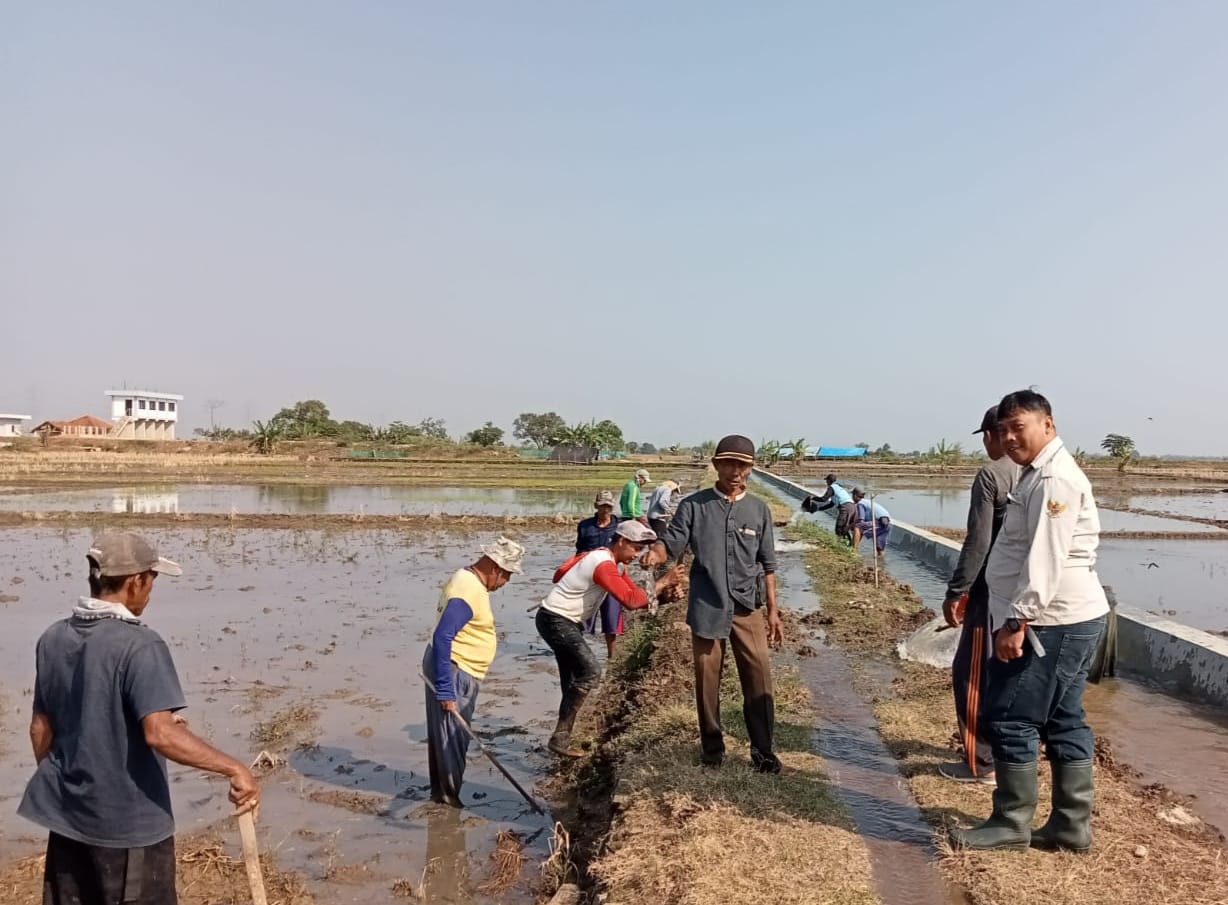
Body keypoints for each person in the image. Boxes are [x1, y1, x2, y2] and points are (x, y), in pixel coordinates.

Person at [19, 531, 260, 905]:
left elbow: (42, 728)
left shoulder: (53, 638)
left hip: (67, 823)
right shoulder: (141, 645)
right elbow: (159, 735)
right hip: (128, 832)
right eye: (151, 581)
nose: (150, 592)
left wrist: (70, 790)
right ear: (135, 583)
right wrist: (235, 769)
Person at [950, 390, 1110, 852]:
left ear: (1048, 425)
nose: (1009, 436)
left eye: (1019, 426)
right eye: (1003, 429)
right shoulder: (1035, 474)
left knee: (1011, 716)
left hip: (1052, 620)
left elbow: (1045, 558)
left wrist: (1017, 621)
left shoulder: (1053, 480)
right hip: (1067, 617)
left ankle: (1011, 821)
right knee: (1063, 718)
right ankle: (1068, 825)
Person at [644, 435, 784, 773]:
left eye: (743, 465)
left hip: (747, 607)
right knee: (707, 679)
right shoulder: (694, 506)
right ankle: (712, 750)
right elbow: (672, 542)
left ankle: (762, 751)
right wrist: (655, 554)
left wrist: (773, 611)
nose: (735, 471)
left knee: (759, 677)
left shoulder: (759, 510)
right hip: (707, 604)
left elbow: (767, 565)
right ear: (716, 465)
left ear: (750, 469)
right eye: (728, 463)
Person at [938, 406, 1021, 785]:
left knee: (972, 672)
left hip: (993, 591)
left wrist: (958, 590)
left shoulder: (992, 474)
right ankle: (1013, 756)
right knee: (1013, 674)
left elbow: (979, 541)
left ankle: (982, 762)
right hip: (1029, 592)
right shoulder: (1035, 472)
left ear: (993, 434)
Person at [537, 521, 657, 756]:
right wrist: (662, 584)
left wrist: (664, 595)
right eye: (635, 548)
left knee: (572, 679)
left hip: (562, 621)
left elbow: (636, 598)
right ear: (621, 541)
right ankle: (560, 739)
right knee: (591, 671)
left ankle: (562, 738)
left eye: (641, 550)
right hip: (555, 620)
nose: (636, 555)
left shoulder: (616, 565)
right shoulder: (602, 563)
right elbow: (631, 601)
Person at [423, 536, 525, 806]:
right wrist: (446, 688)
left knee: (448, 739)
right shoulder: (468, 589)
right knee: (452, 741)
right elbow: (444, 636)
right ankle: (447, 802)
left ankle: (443, 794)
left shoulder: (466, 579)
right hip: (454, 670)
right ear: (495, 568)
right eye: (507, 577)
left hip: (454, 667)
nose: (505, 584)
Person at [577, 490, 627, 655]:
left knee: (611, 621)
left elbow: (627, 551)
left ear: (612, 507)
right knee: (583, 619)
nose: (605, 510)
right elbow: (579, 552)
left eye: (608, 506)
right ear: (596, 506)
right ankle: (582, 655)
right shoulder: (585, 526)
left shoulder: (620, 527)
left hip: (612, 579)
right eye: (602, 506)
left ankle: (612, 658)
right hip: (590, 579)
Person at [803, 473, 857, 544]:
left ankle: (843, 545)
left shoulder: (832, 488)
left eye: (826, 481)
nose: (826, 482)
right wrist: (819, 509)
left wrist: (812, 498)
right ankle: (848, 545)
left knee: (839, 528)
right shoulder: (837, 487)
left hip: (845, 508)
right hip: (852, 507)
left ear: (829, 481)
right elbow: (831, 504)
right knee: (844, 528)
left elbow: (823, 499)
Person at [851, 489, 891, 555]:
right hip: (887, 523)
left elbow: (861, 521)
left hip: (880, 522)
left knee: (857, 527)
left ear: (855, 496)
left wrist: (852, 527)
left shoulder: (860, 503)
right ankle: (882, 563)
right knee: (879, 549)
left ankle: (853, 551)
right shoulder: (867, 502)